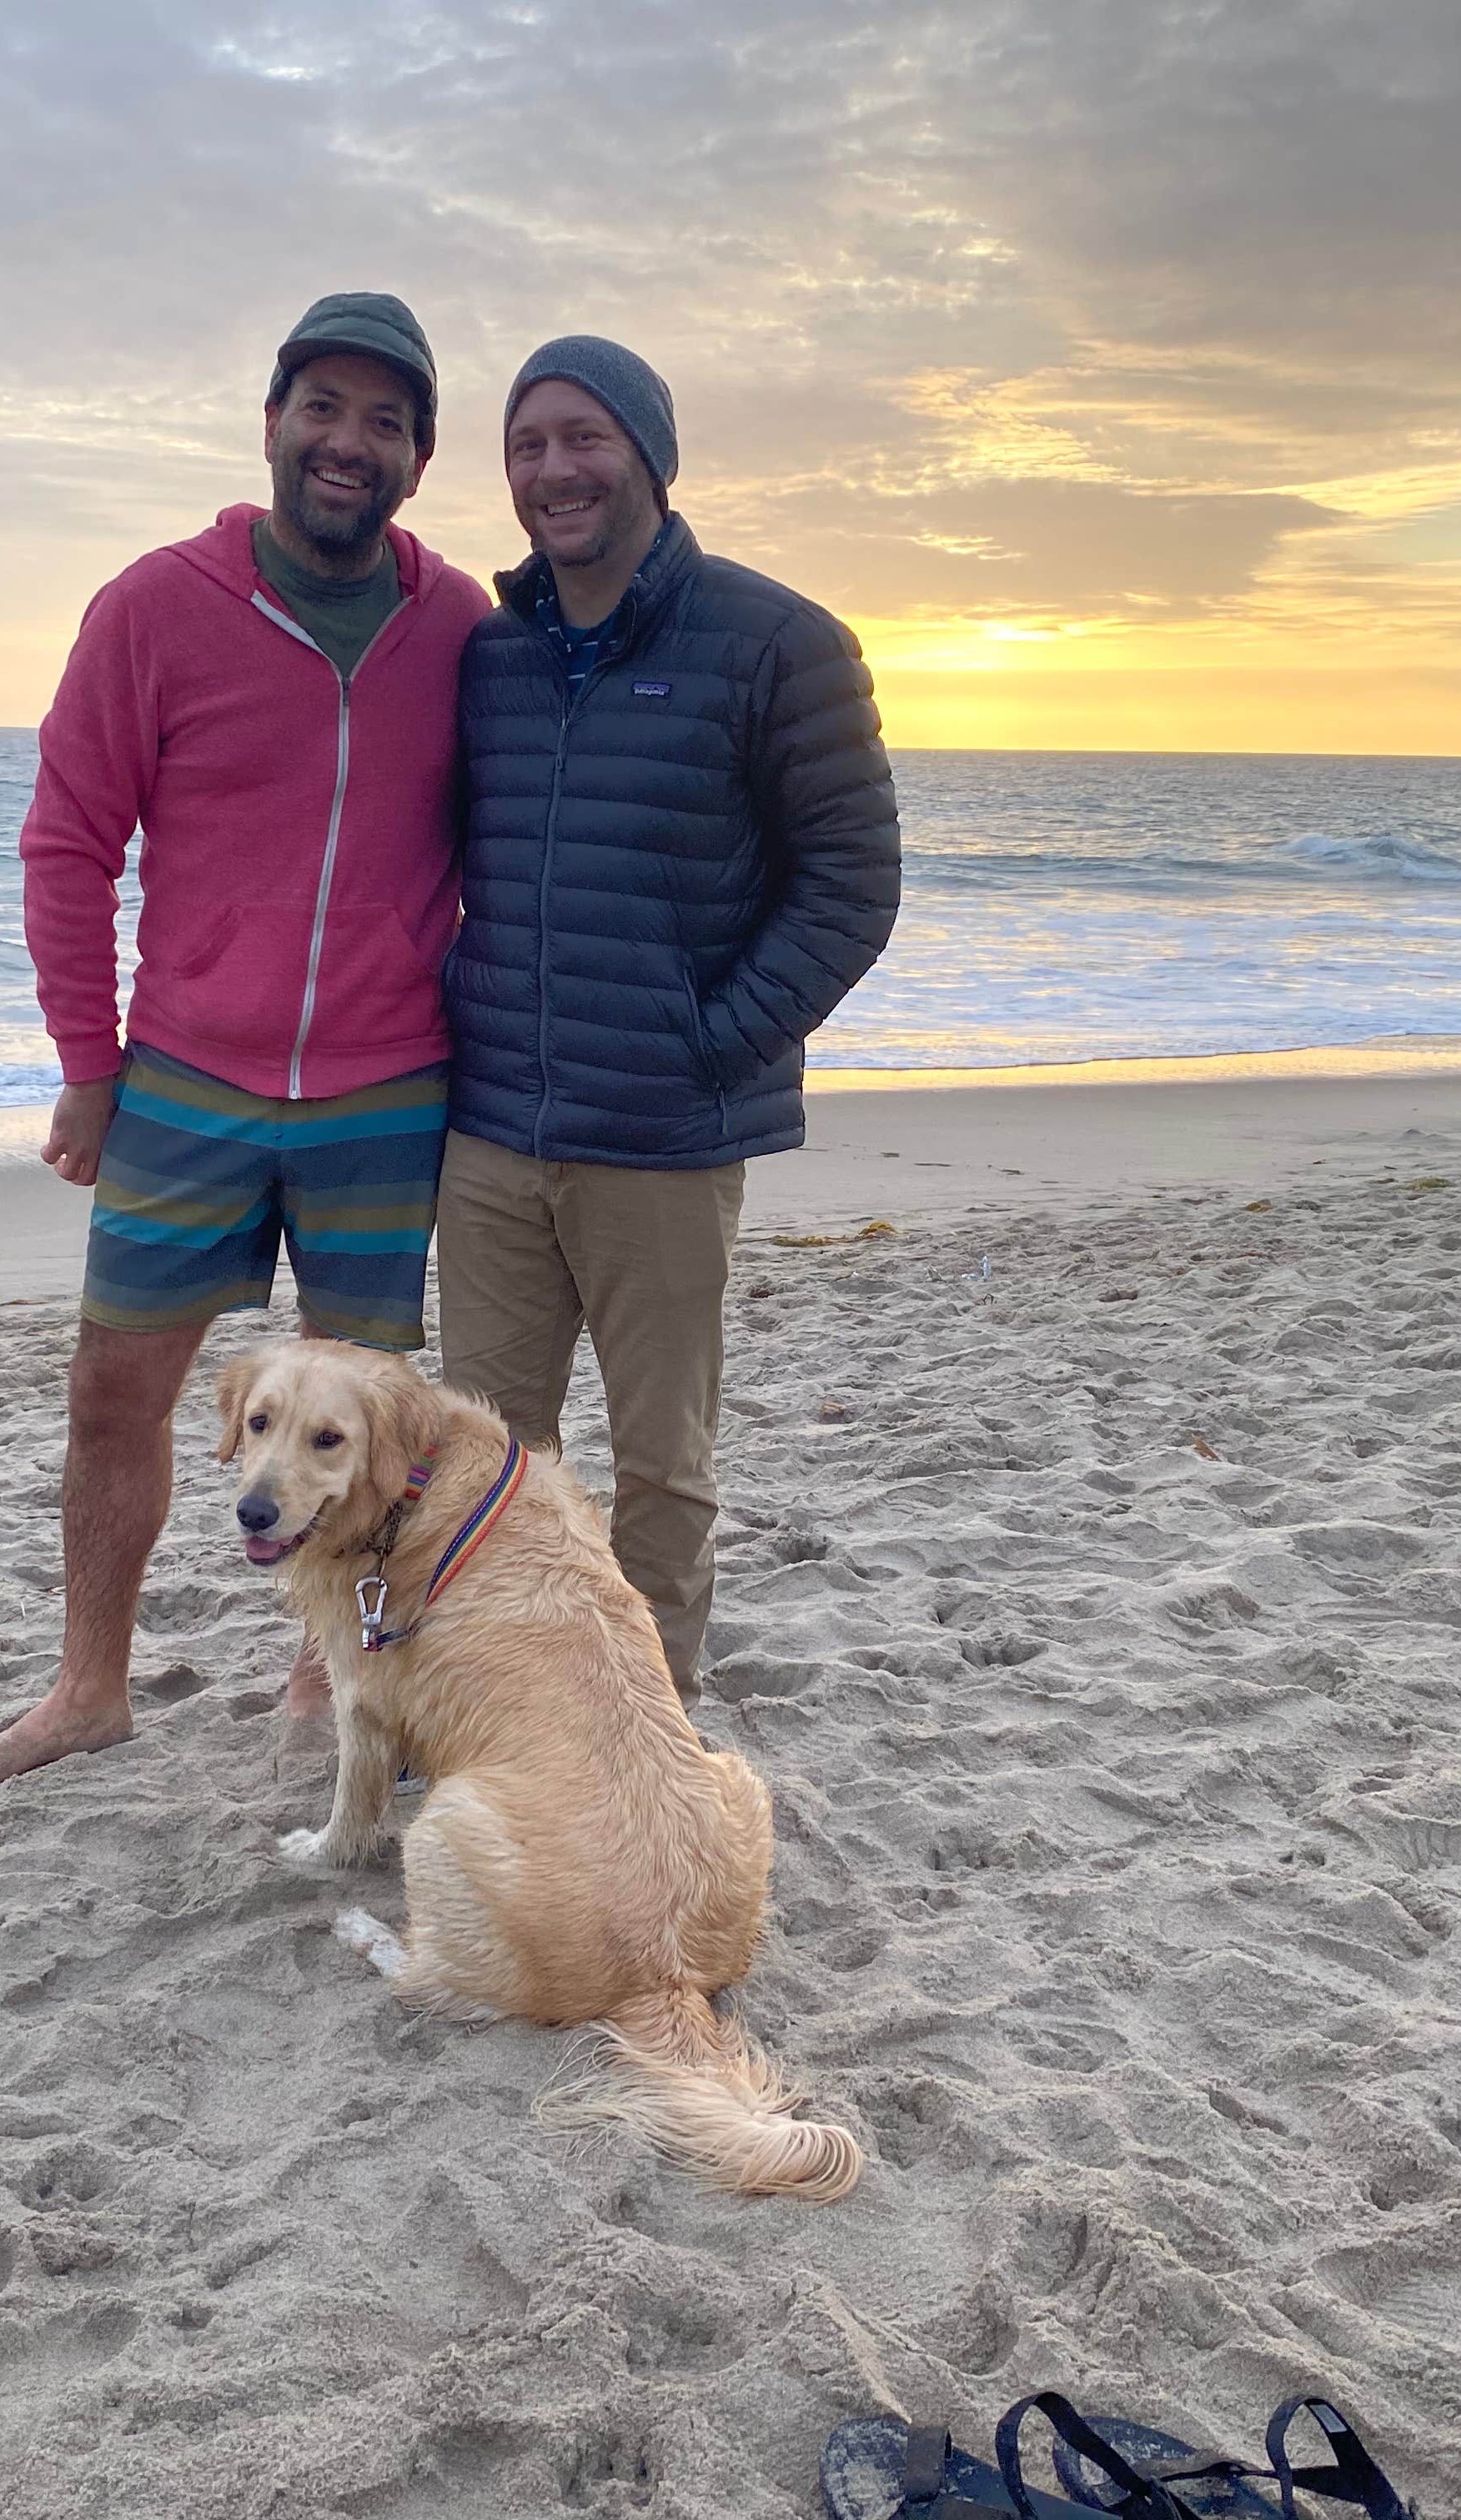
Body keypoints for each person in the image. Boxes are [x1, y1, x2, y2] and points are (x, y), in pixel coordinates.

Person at [0, 292, 484, 1788]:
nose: (349, 443)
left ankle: (327, 1679)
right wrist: (88, 1062)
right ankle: (89, 1688)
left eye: (386, 422)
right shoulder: (154, 608)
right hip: (186, 1081)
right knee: (113, 1393)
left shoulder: (459, 628)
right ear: (272, 424)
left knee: (366, 1428)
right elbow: (69, 843)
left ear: (420, 458)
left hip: (386, 1090)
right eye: (324, 408)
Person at [437, 336, 901, 1705]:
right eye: (528, 445)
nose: (554, 469)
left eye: (585, 436)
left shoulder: (779, 643)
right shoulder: (491, 656)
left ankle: (647, 1718)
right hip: (494, 1132)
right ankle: (507, 1709)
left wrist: (711, 1045)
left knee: (662, 1466)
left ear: (650, 454)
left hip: (665, 1139)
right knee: (486, 1462)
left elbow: (854, 884)